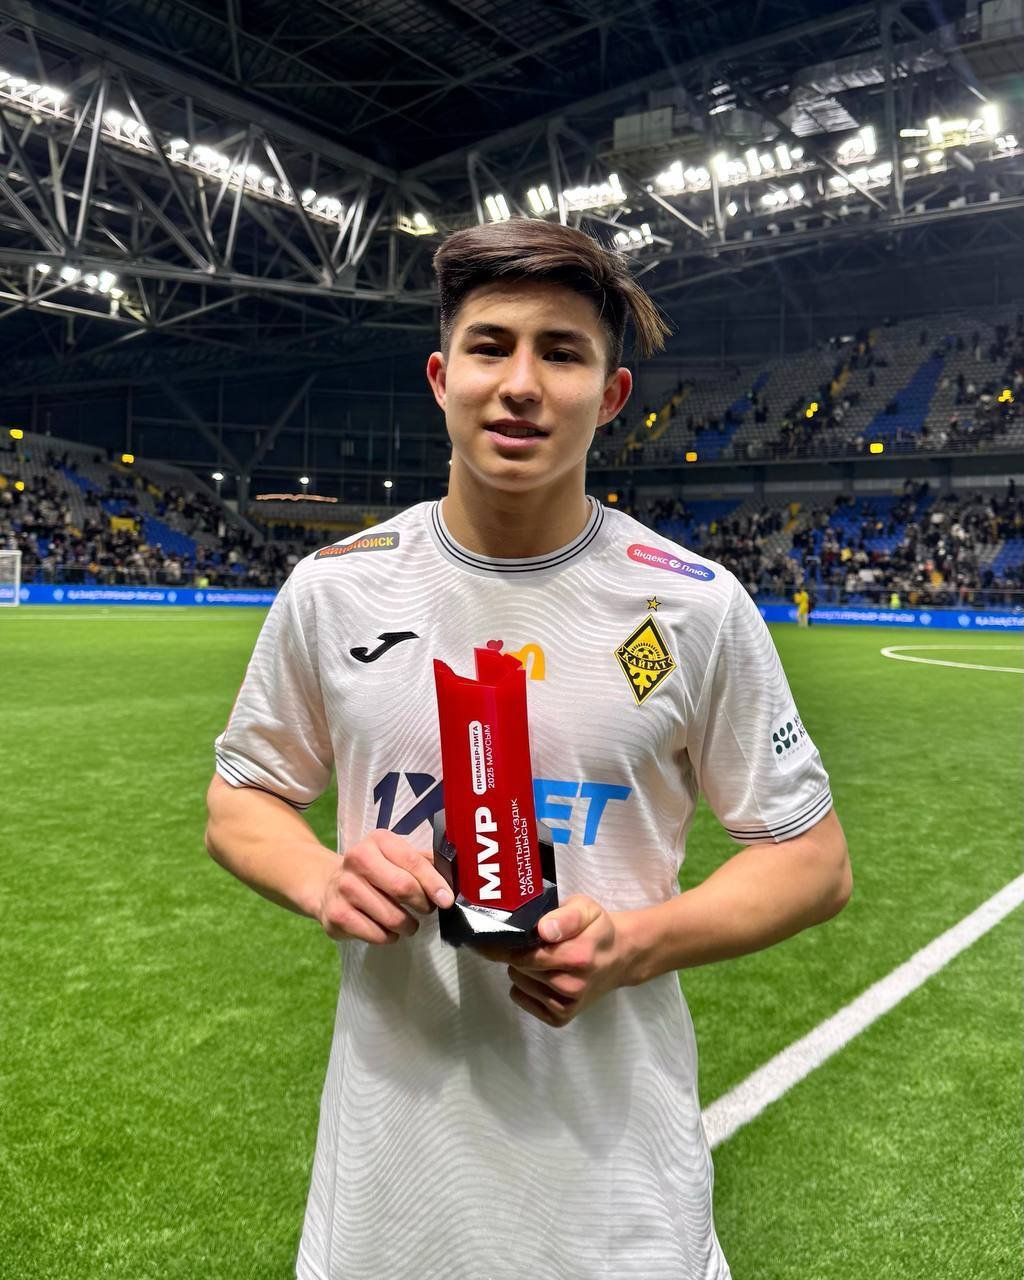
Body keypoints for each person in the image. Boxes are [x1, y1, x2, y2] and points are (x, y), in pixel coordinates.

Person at [204, 219, 851, 1280]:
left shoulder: (692, 606)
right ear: (440, 376)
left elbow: (813, 861)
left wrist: (633, 944)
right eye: (489, 346)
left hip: (618, 1201)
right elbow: (241, 800)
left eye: (561, 353)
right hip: (387, 1200)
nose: (519, 384)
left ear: (610, 395)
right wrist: (324, 877)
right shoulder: (335, 588)